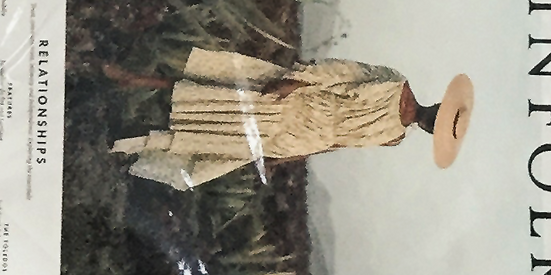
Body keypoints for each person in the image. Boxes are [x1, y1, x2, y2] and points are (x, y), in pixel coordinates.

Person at [105, 51, 473, 188]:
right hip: (298, 104)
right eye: (436, 118)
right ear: (437, 106)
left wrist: (290, 158)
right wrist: (294, 82)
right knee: (213, 96)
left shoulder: (394, 137)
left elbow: (338, 144)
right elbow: (337, 71)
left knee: (216, 140)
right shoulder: (395, 82)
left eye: (434, 129)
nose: (429, 124)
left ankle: (130, 142)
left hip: (299, 138)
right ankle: (133, 80)